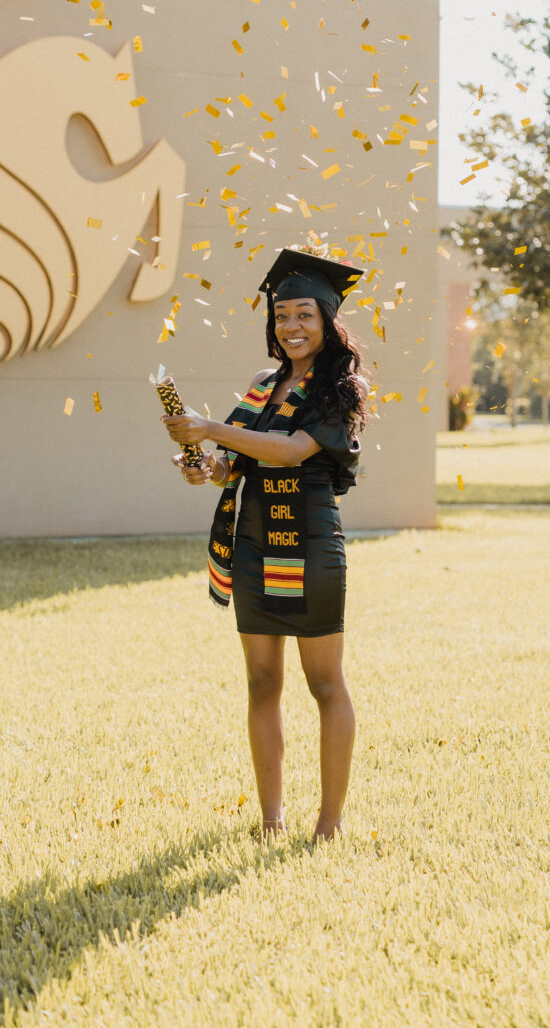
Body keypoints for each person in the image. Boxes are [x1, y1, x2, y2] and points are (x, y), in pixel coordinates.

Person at [161, 246, 370, 845]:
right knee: (261, 684)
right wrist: (202, 464)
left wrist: (212, 429)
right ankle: (271, 821)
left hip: (307, 544)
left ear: (329, 321)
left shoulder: (341, 388)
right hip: (254, 543)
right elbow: (235, 460)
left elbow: (290, 450)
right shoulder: (263, 385)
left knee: (325, 684)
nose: (291, 327)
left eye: (305, 315)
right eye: (282, 316)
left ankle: (329, 823)